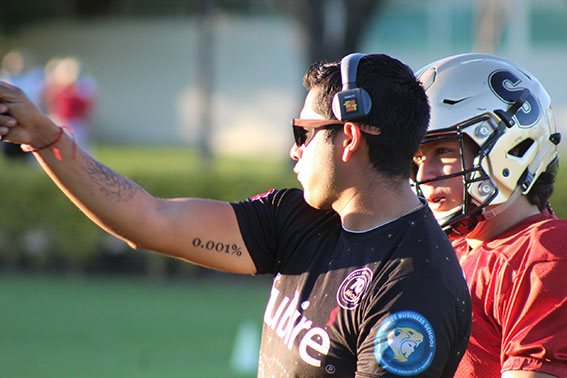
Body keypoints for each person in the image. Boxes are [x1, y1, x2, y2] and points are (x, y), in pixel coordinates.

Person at [0, 53, 471, 377]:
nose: (294, 149)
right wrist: (44, 137)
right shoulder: (301, 216)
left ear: (349, 138)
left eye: (304, 132)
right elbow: (149, 220)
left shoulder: (415, 288)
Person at [413, 53, 567, 377]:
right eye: (416, 157)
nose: (424, 173)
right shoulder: (453, 250)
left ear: (511, 146)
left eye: (442, 151)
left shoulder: (544, 255)